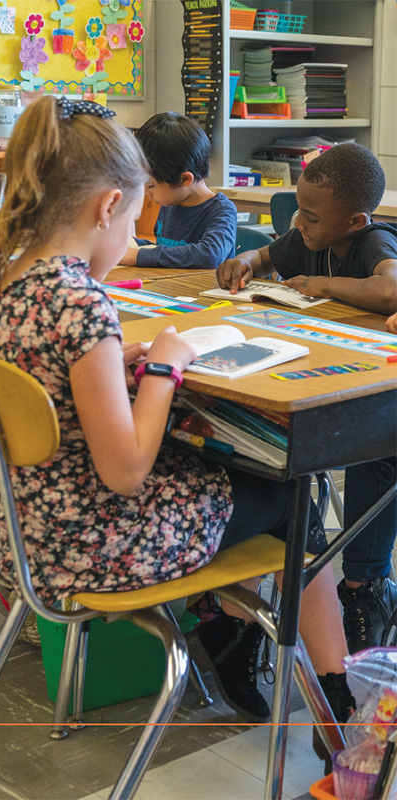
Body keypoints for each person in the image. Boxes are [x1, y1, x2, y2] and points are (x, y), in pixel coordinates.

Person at [0, 96, 354, 732]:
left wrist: (107, 370)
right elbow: (126, 472)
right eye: (135, 215)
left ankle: (235, 631)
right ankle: (330, 695)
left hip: (20, 529)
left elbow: (45, 380)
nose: (133, 235)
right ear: (108, 206)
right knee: (294, 492)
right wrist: (166, 369)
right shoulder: (80, 303)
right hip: (93, 547)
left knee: (235, 471)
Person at [217, 142, 397, 653]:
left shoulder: (374, 240)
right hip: (320, 375)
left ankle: (364, 586)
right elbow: (265, 255)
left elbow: (390, 291)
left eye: (311, 216)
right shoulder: (308, 234)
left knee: (379, 451)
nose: (299, 222)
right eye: (298, 209)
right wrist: (244, 260)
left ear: (355, 220)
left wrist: (321, 284)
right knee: (254, 431)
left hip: (372, 387)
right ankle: (236, 603)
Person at [118, 111, 237, 270]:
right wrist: (130, 244)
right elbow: (166, 251)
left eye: (151, 185)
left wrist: (137, 256)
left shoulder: (222, 210)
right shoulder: (171, 202)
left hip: (203, 285)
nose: (146, 192)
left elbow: (210, 255)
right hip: (171, 282)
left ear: (184, 179)